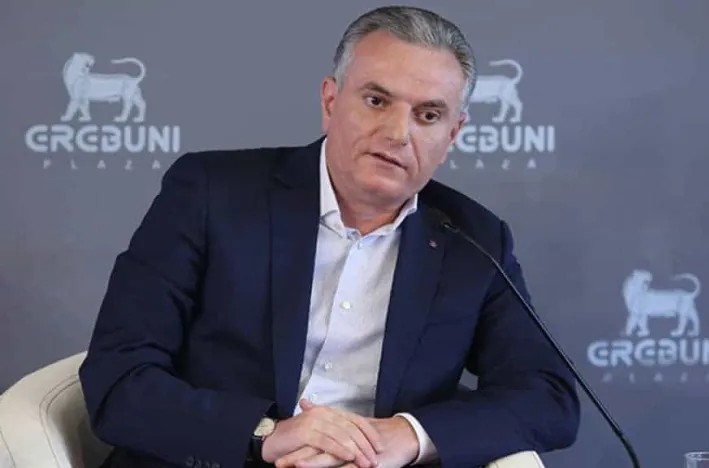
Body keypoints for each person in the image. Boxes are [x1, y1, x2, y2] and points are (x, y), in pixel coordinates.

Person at [79, 5, 580, 468]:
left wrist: (407, 435)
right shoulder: (211, 193)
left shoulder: (474, 238)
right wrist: (264, 434)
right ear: (330, 100)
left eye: (428, 115)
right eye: (377, 100)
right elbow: (118, 378)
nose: (398, 133)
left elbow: (548, 396)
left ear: (452, 135)